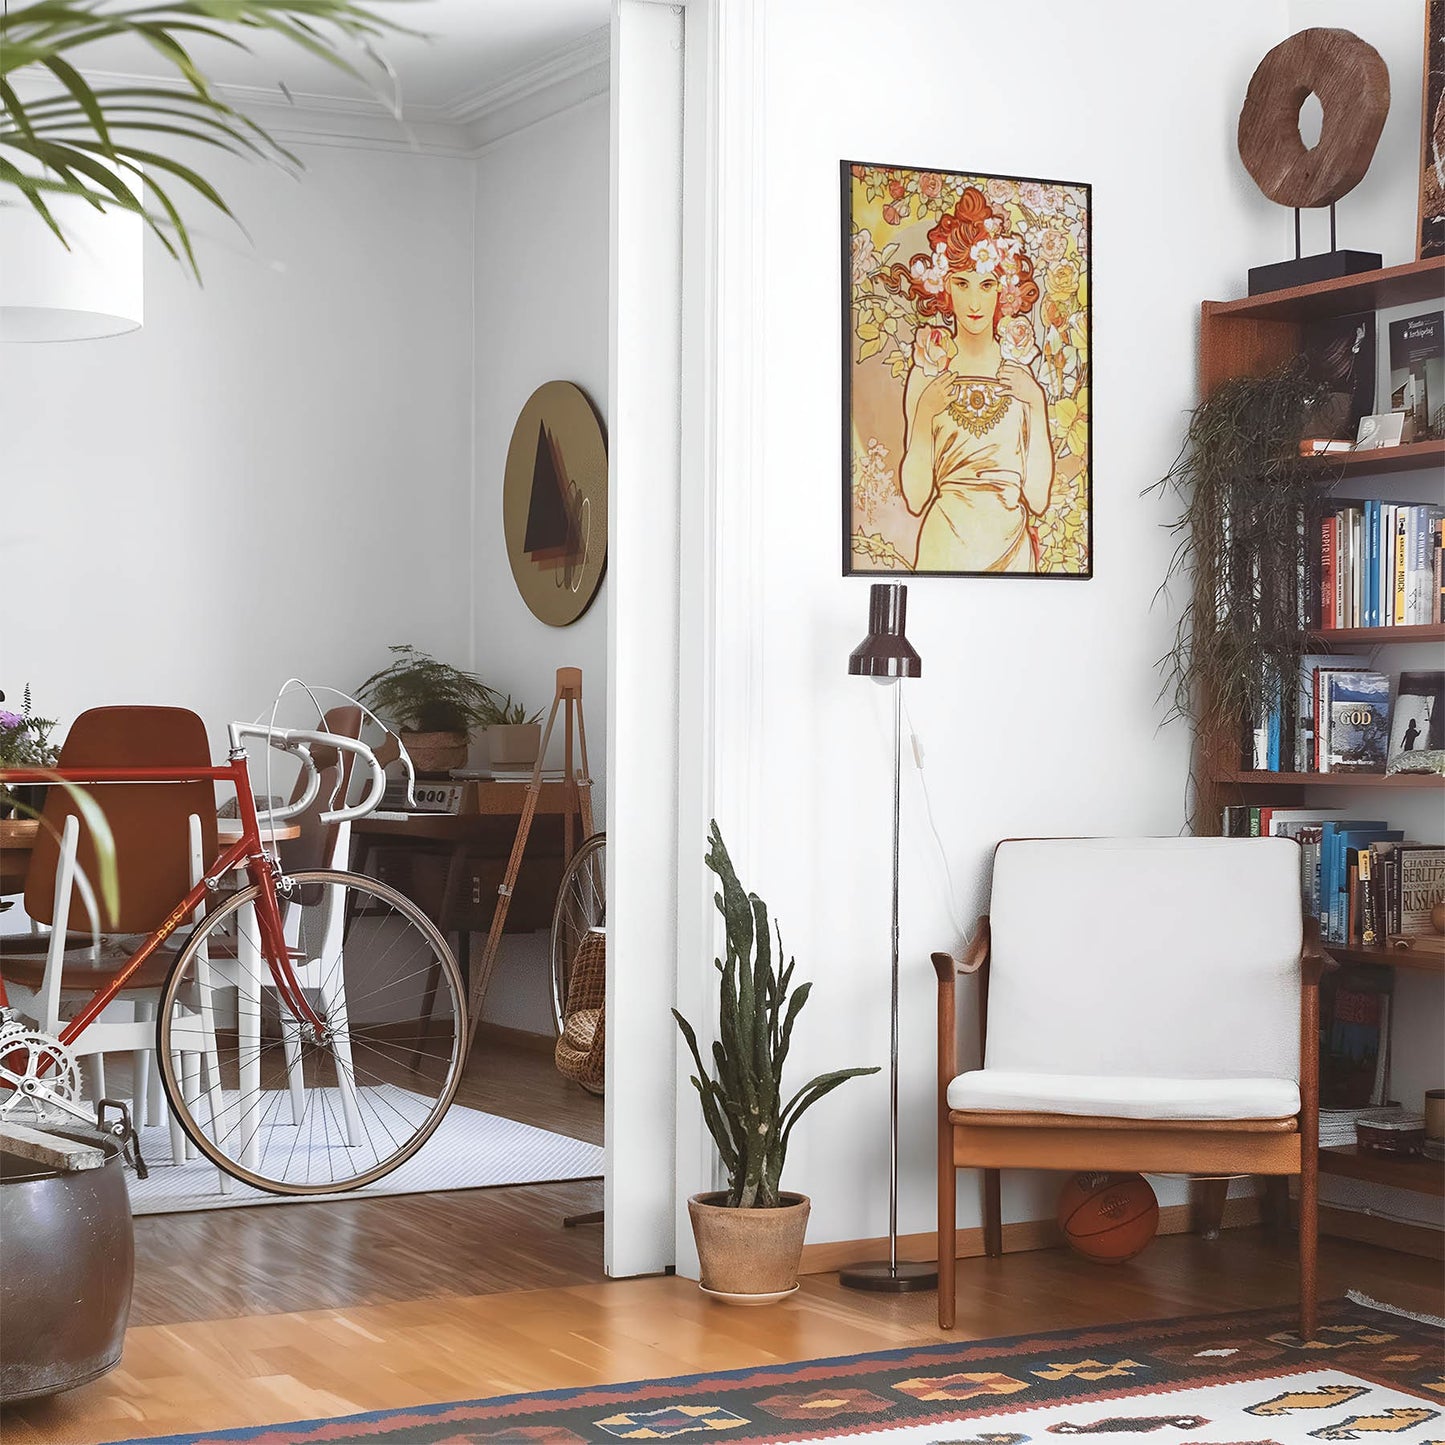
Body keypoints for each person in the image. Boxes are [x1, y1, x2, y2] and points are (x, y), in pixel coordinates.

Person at [881, 187, 1054, 572]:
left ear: (1003, 290)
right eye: (962, 284)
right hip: (945, 548)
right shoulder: (928, 372)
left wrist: (1038, 406)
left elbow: (1039, 498)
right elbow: (915, 496)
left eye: (987, 285)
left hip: (1012, 555)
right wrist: (925, 414)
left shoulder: (1022, 375)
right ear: (945, 287)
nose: (975, 303)